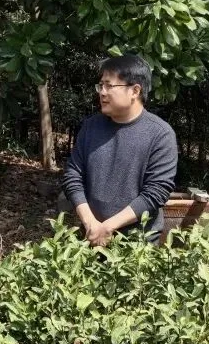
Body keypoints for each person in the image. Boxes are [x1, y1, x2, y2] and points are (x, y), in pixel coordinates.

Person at [62, 54, 178, 245]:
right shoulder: (91, 127)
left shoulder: (160, 134)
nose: (102, 92)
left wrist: (108, 227)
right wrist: (91, 223)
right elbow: (72, 176)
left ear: (135, 91)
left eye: (109, 86)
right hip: (89, 238)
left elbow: (156, 192)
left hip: (136, 246)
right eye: (101, 86)